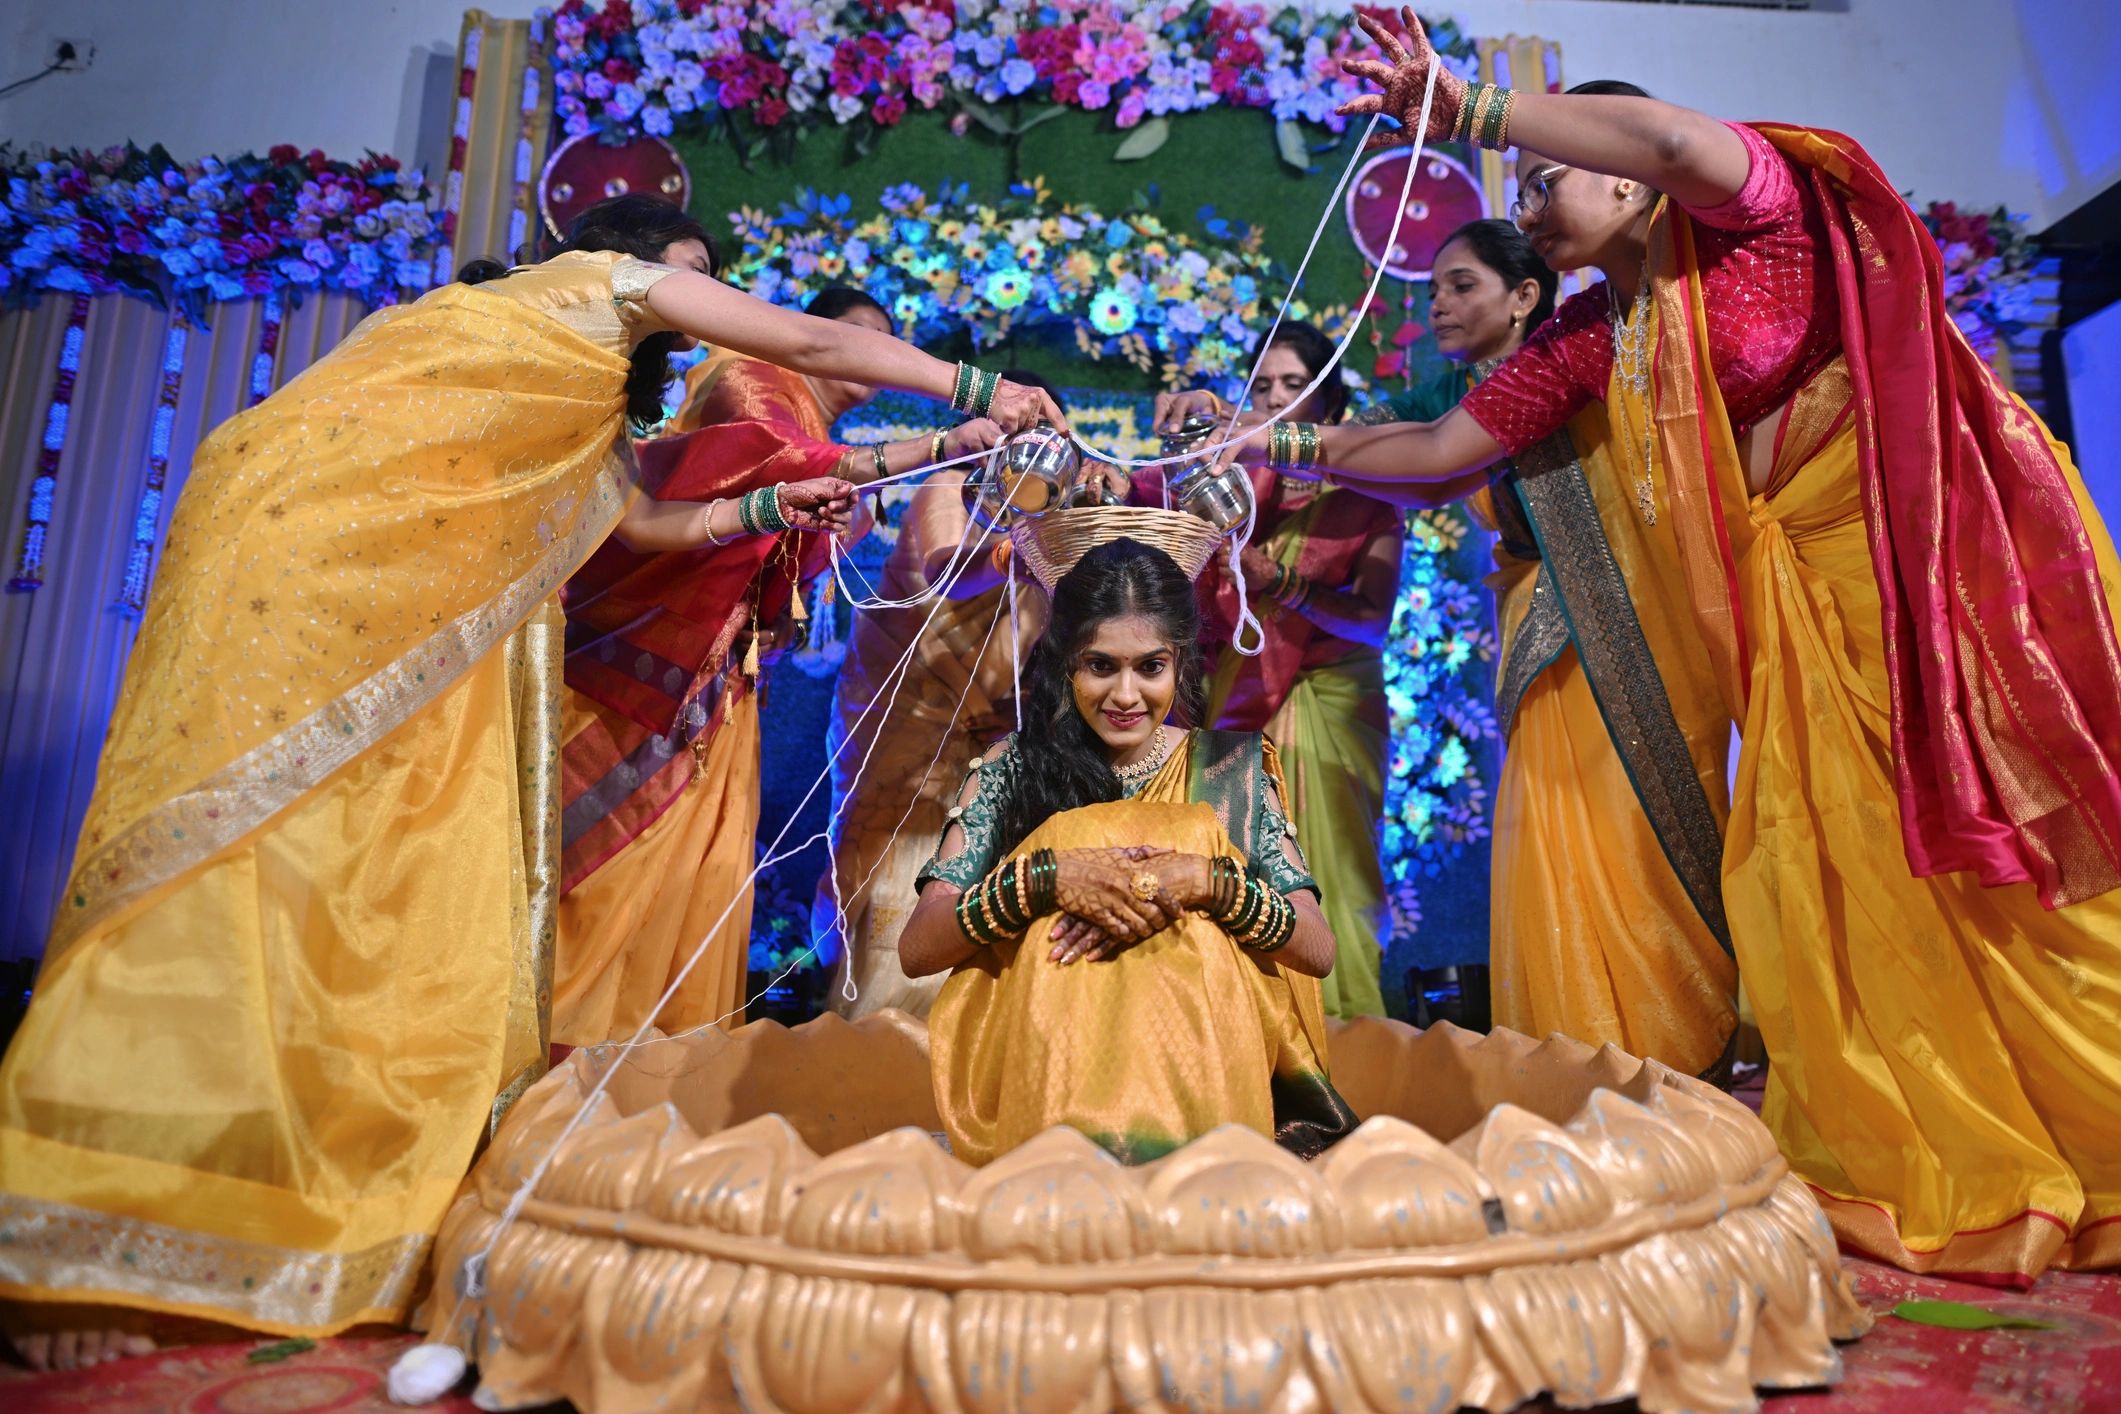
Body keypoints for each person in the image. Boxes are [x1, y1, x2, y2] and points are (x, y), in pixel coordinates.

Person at [0, 193, 1063, 1368]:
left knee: (373, 880)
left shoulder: (577, 411)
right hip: (329, 568)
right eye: (697, 273)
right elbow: (805, 342)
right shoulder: (599, 286)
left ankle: (272, 1192)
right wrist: (978, 389)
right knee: (264, 848)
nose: (706, 301)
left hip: (424, 604)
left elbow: (650, 521)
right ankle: (84, 1213)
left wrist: (775, 502)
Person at [1213, 8, 2121, 1284]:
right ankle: (1928, 1130)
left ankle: (2091, 1111)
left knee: (1989, 834)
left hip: (1917, 567)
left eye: (1548, 179)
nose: (1527, 206)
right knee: (1834, 866)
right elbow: (1433, 454)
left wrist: (1466, 108)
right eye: (1520, 184)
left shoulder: (1751, 214)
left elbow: (1653, 127)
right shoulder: (1590, 335)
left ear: (1631, 177)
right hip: (1797, 613)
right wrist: (1268, 444)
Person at [554, 288, 1007, 1045]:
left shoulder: (834, 449)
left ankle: (654, 1065)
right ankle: (573, 1054)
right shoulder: (753, 382)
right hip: (659, 681)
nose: (865, 353)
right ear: (807, 334)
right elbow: (775, 461)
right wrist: (941, 453)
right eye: (852, 335)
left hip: (726, 685)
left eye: (881, 341)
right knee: (623, 876)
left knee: (700, 881)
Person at [1372, 216, 1739, 1078]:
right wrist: (1273, 437)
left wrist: (1286, 444)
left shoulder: (1571, 363)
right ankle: (1578, 1056)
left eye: (1460, 286)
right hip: (1537, 633)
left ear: (1524, 295)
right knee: (1550, 830)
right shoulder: (1451, 393)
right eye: (1431, 292)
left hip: (1632, 632)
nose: (1439, 306)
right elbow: (1383, 441)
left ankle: (1673, 1045)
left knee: (1629, 831)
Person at [899, 535, 1357, 1166]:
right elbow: (919, 947)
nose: (1125, 695)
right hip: (1050, 1081)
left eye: (1150, 667)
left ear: (1180, 663)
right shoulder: (1014, 768)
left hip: (1207, 1083)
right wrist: (1042, 878)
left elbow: (1318, 947)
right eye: (1100, 666)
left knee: (1198, 838)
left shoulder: (1232, 769)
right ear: (1066, 664)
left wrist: (1210, 881)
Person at [1138, 322, 1403, 1019]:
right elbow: (1148, 500)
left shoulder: (1368, 490)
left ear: (1328, 401)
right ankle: (1243, 1031)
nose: (1276, 401)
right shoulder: (1233, 485)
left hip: (1326, 694)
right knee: (1235, 864)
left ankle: (1344, 1030)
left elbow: (1370, 620)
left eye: (1294, 386)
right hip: (1236, 694)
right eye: (1261, 387)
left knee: (1330, 870)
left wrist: (1278, 581)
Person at [817, 370, 1058, 1022]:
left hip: (1001, 728)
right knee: (902, 866)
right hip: (912, 716)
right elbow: (945, 572)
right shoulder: (949, 483)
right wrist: (1019, 550)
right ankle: (882, 1039)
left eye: (1046, 431)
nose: (1032, 445)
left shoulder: (1058, 510)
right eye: (1021, 428)